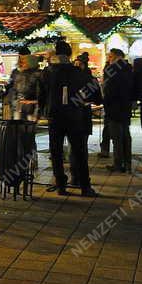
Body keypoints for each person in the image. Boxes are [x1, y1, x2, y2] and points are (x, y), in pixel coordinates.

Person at [42, 41, 100, 196]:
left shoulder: (48, 73)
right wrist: (83, 100)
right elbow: (96, 93)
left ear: (55, 54)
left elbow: (40, 95)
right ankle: (85, 186)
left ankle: (61, 185)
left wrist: (44, 109)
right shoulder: (79, 73)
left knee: (56, 151)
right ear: (69, 55)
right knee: (79, 151)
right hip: (75, 116)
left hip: (55, 116)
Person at [101, 49, 134, 173]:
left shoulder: (112, 70)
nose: (108, 59)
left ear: (116, 57)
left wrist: (104, 101)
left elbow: (108, 90)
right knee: (125, 135)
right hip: (125, 106)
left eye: (110, 56)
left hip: (114, 107)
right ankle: (128, 163)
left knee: (117, 137)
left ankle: (118, 164)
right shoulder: (129, 69)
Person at [6, 53, 43, 121]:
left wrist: (35, 101)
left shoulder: (36, 74)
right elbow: (14, 88)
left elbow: (37, 90)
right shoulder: (19, 72)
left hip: (29, 103)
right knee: (20, 123)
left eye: (25, 61)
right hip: (20, 103)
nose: (23, 63)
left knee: (28, 122)